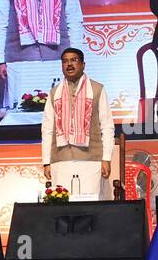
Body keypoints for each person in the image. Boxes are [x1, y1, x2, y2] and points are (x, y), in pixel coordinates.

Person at [40, 48, 115, 200]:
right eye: (65, 61)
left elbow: (107, 126)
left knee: (90, 207)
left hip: (91, 159)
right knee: (62, 208)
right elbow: (47, 129)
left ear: (83, 65)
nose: (69, 64)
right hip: (60, 160)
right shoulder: (54, 92)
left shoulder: (97, 89)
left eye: (74, 60)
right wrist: (46, 162)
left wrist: (106, 158)